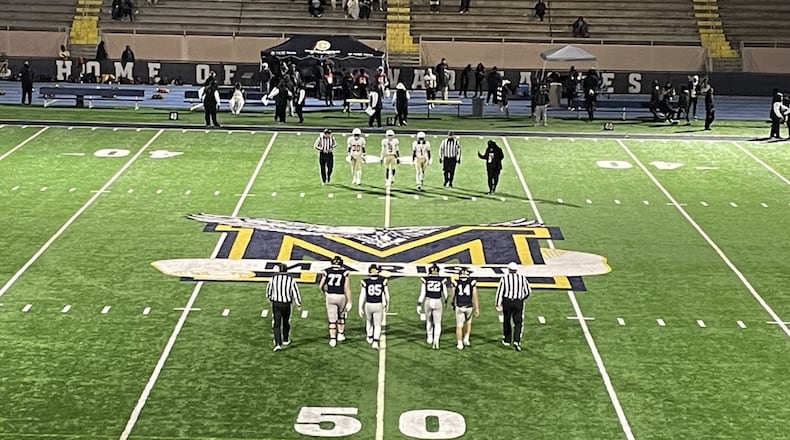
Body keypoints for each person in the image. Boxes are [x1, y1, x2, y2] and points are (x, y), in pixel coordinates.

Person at [495, 262, 531, 352]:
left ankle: (507, 339)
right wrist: (522, 299)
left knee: (507, 320)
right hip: (518, 302)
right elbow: (528, 291)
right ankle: (516, 340)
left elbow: (500, 291)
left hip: (507, 301)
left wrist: (498, 303)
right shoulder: (522, 278)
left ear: (508, 269)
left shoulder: (504, 278)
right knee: (518, 322)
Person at [267, 263, 302, 352]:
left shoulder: (273, 279)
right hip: (286, 303)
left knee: (276, 324)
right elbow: (295, 291)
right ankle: (286, 339)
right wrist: (298, 303)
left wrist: (270, 298)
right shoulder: (290, 279)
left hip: (276, 303)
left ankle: (278, 343)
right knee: (286, 321)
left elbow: (268, 291)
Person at [318, 256, 353, 347]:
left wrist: (324, 292)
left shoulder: (327, 271)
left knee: (332, 319)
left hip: (330, 296)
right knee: (341, 316)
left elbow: (321, 285)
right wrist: (349, 301)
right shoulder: (344, 272)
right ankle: (340, 334)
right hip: (341, 296)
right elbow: (347, 289)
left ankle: (332, 339)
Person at [359, 264, 390, 350]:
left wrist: (360, 307)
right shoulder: (383, 281)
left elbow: (362, 296)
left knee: (369, 322)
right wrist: (387, 303)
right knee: (377, 325)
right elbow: (387, 295)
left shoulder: (365, 281)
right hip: (378, 304)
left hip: (368, 304)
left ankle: (369, 337)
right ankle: (375, 342)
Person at [417, 264, 447, 349]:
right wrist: (445, 301)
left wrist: (419, 303)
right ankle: (436, 340)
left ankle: (429, 338)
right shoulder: (441, 280)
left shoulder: (426, 279)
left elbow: (422, 293)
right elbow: (445, 292)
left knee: (429, 321)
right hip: (437, 301)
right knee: (437, 323)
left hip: (428, 301)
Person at [449, 267, 479, 350]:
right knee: (468, 322)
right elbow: (475, 296)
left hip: (459, 305)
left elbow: (453, 295)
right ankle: (466, 339)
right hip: (469, 305)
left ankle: (459, 343)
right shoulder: (472, 282)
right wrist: (477, 308)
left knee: (459, 326)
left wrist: (452, 303)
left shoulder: (456, 282)